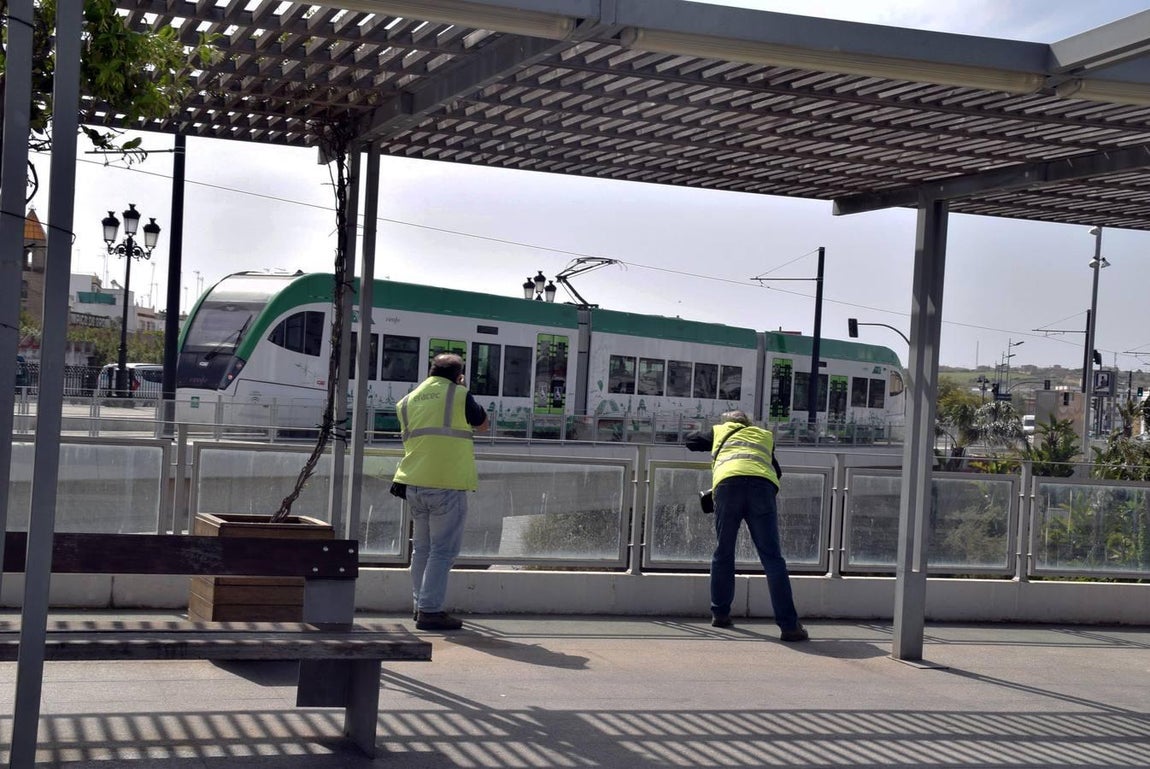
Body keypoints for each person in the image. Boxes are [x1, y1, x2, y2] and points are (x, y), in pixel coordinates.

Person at [686, 410, 808, 642]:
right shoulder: (764, 435)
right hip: (762, 488)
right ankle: (789, 626)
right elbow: (776, 470)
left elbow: (690, 441)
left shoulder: (720, 431)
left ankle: (720, 614)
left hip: (728, 487)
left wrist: (713, 440)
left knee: (724, 552)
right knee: (773, 559)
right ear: (748, 422)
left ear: (727, 422)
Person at [393, 353, 488, 631]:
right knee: (443, 551)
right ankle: (430, 611)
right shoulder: (459, 394)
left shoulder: (407, 401)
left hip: (413, 482)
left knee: (421, 549)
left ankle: (419, 605)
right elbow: (482, 424)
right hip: (446, 483)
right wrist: (462, 387)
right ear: (459, 375)